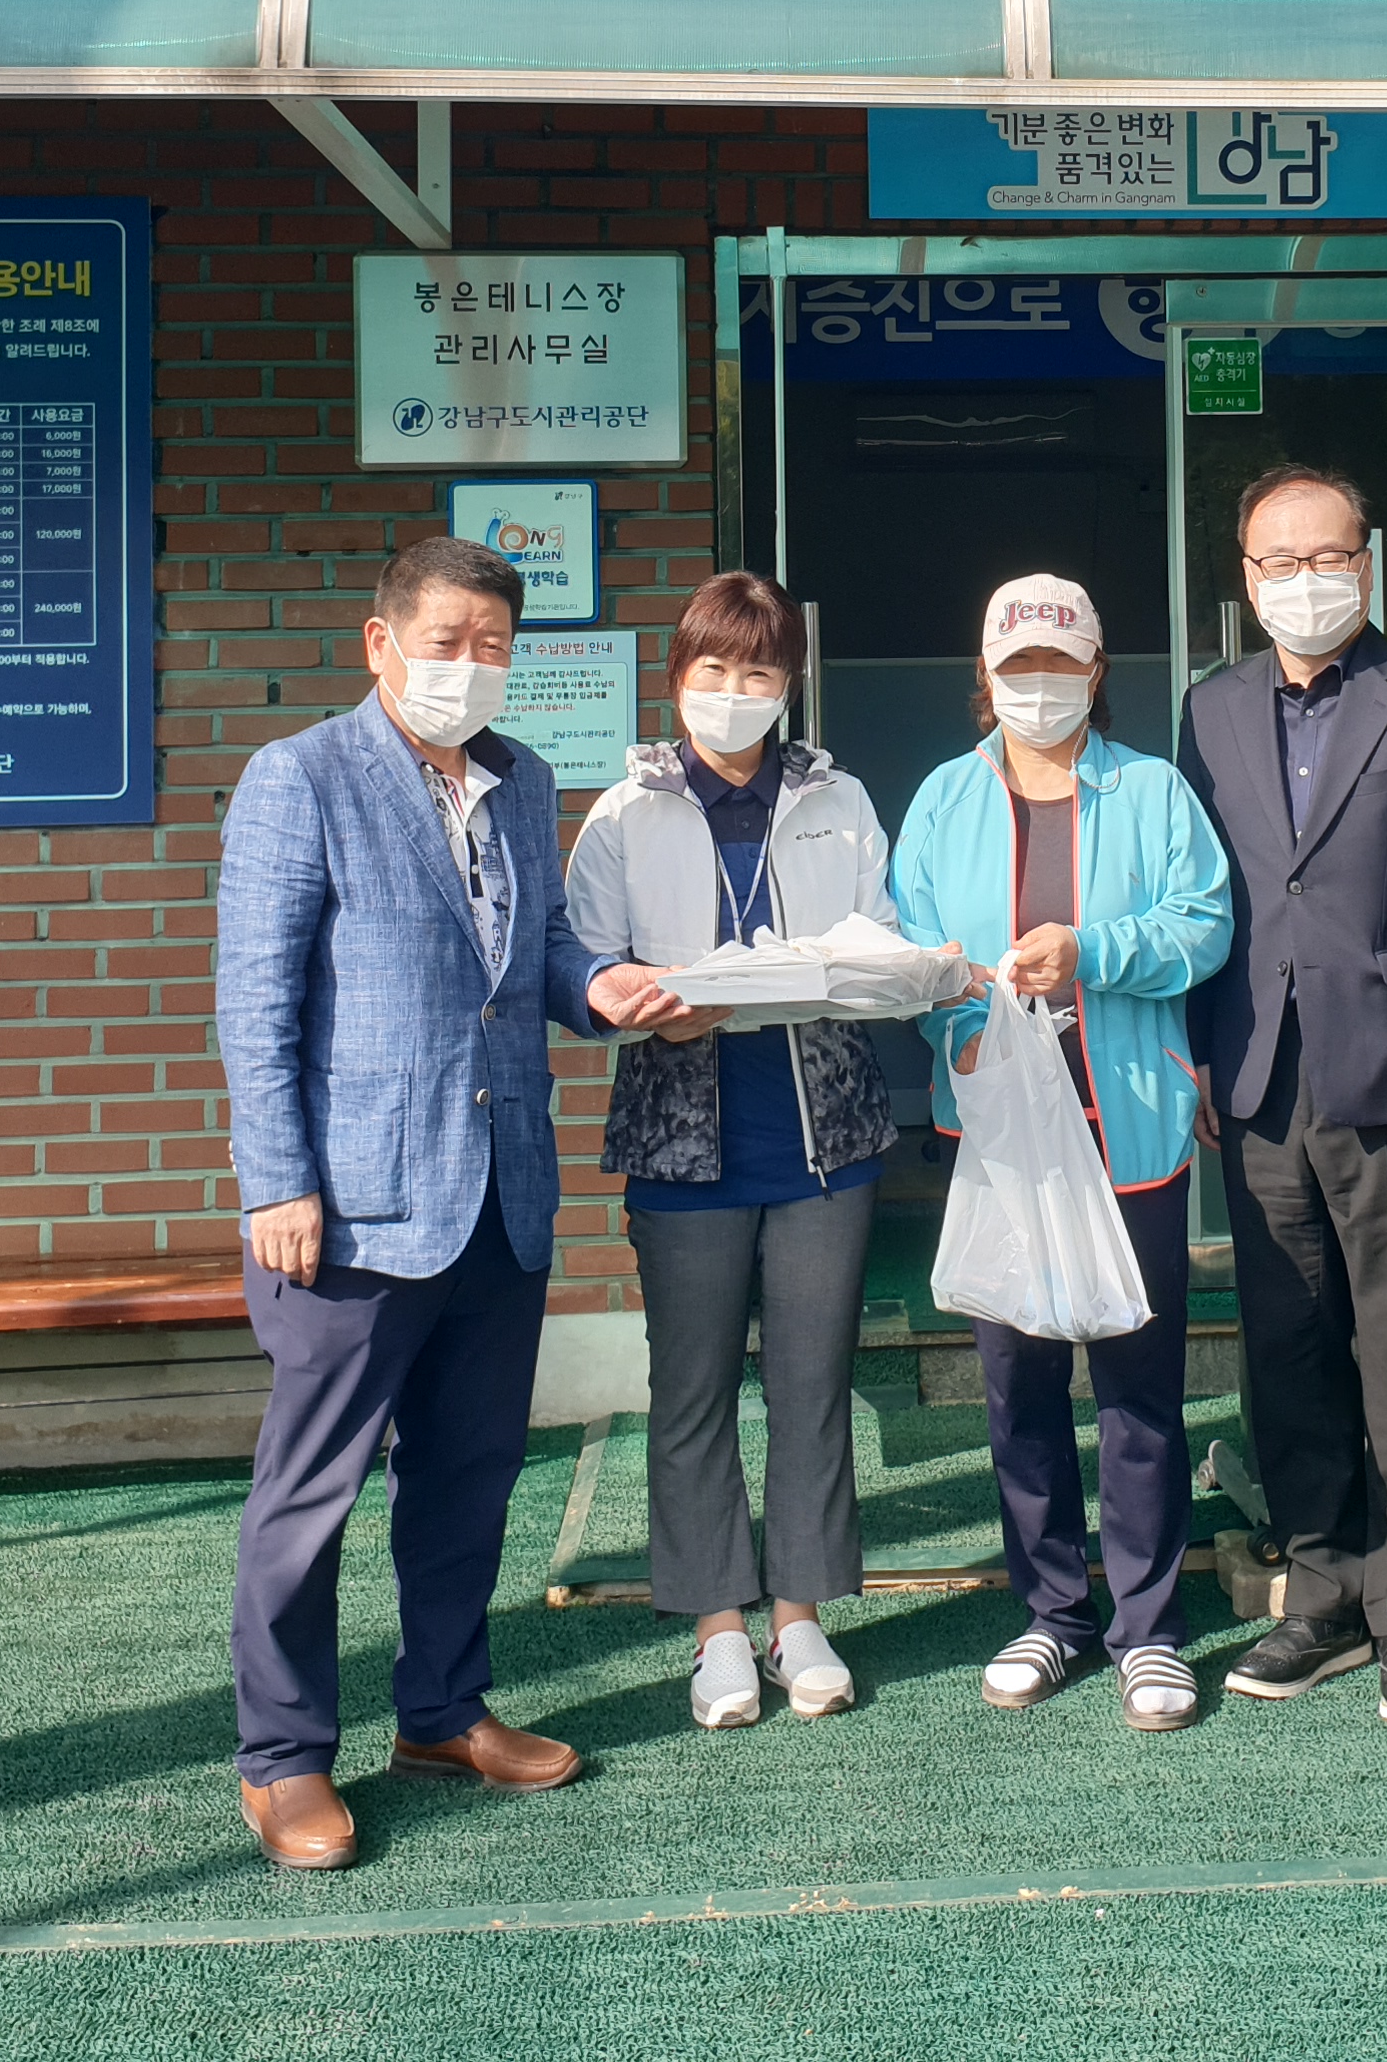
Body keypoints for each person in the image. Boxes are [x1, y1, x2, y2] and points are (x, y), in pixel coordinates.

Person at [216, 533, 688, 1870]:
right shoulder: (300, 777)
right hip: (351, 1205)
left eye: (493, 647)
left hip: (499, 1191)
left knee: (470, 1477)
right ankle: (283, 1759)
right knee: (309, 1495)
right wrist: (278, 1181)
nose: (470, 667)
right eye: (446, 643)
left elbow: (536, 953)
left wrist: (599, 987)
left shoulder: (522, 779)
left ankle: (441, 1713)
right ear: (381, 644)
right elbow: (255, 1000)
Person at [1171, 463, 1387, 1725]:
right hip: (1258, 1069)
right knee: (1287, 1342)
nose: (1305, 580)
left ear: (1364, 564)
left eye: (1329, 558)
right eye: (1281, 562)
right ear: (1247, 576)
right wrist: (1197, 1056)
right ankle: (1318, 1594)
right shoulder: (1210, 710)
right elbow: (1201, 897)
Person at [889, 574, 1234, 1733]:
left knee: (1139, 1386)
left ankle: (1150, 1627)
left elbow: (1204, 924)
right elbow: (909, 945)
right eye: (1017, 668)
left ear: (1096, 671)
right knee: (1020, 1384)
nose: (1038, 687)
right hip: (1004, 1137)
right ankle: (1052, 1610)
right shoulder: (945, 798)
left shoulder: (1151, 791)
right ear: (985, 677)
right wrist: (956, 1025)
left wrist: (1092, 949)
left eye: (1059, 665)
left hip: (1125, 1125)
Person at [567, 570, 906, 1735]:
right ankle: (718, 1628)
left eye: (757, 670)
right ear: (677, 679)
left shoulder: (838, 798)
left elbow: (881, 939)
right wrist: (635, 1000)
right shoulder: (626, 811)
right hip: (681, 1139)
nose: (733, 690)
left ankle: (799, 1617)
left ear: (787, 684)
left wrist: (843, 971)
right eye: (712, 668)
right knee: (692, 1387)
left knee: (813, 1382)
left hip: (825, 1135)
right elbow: (584, 960)